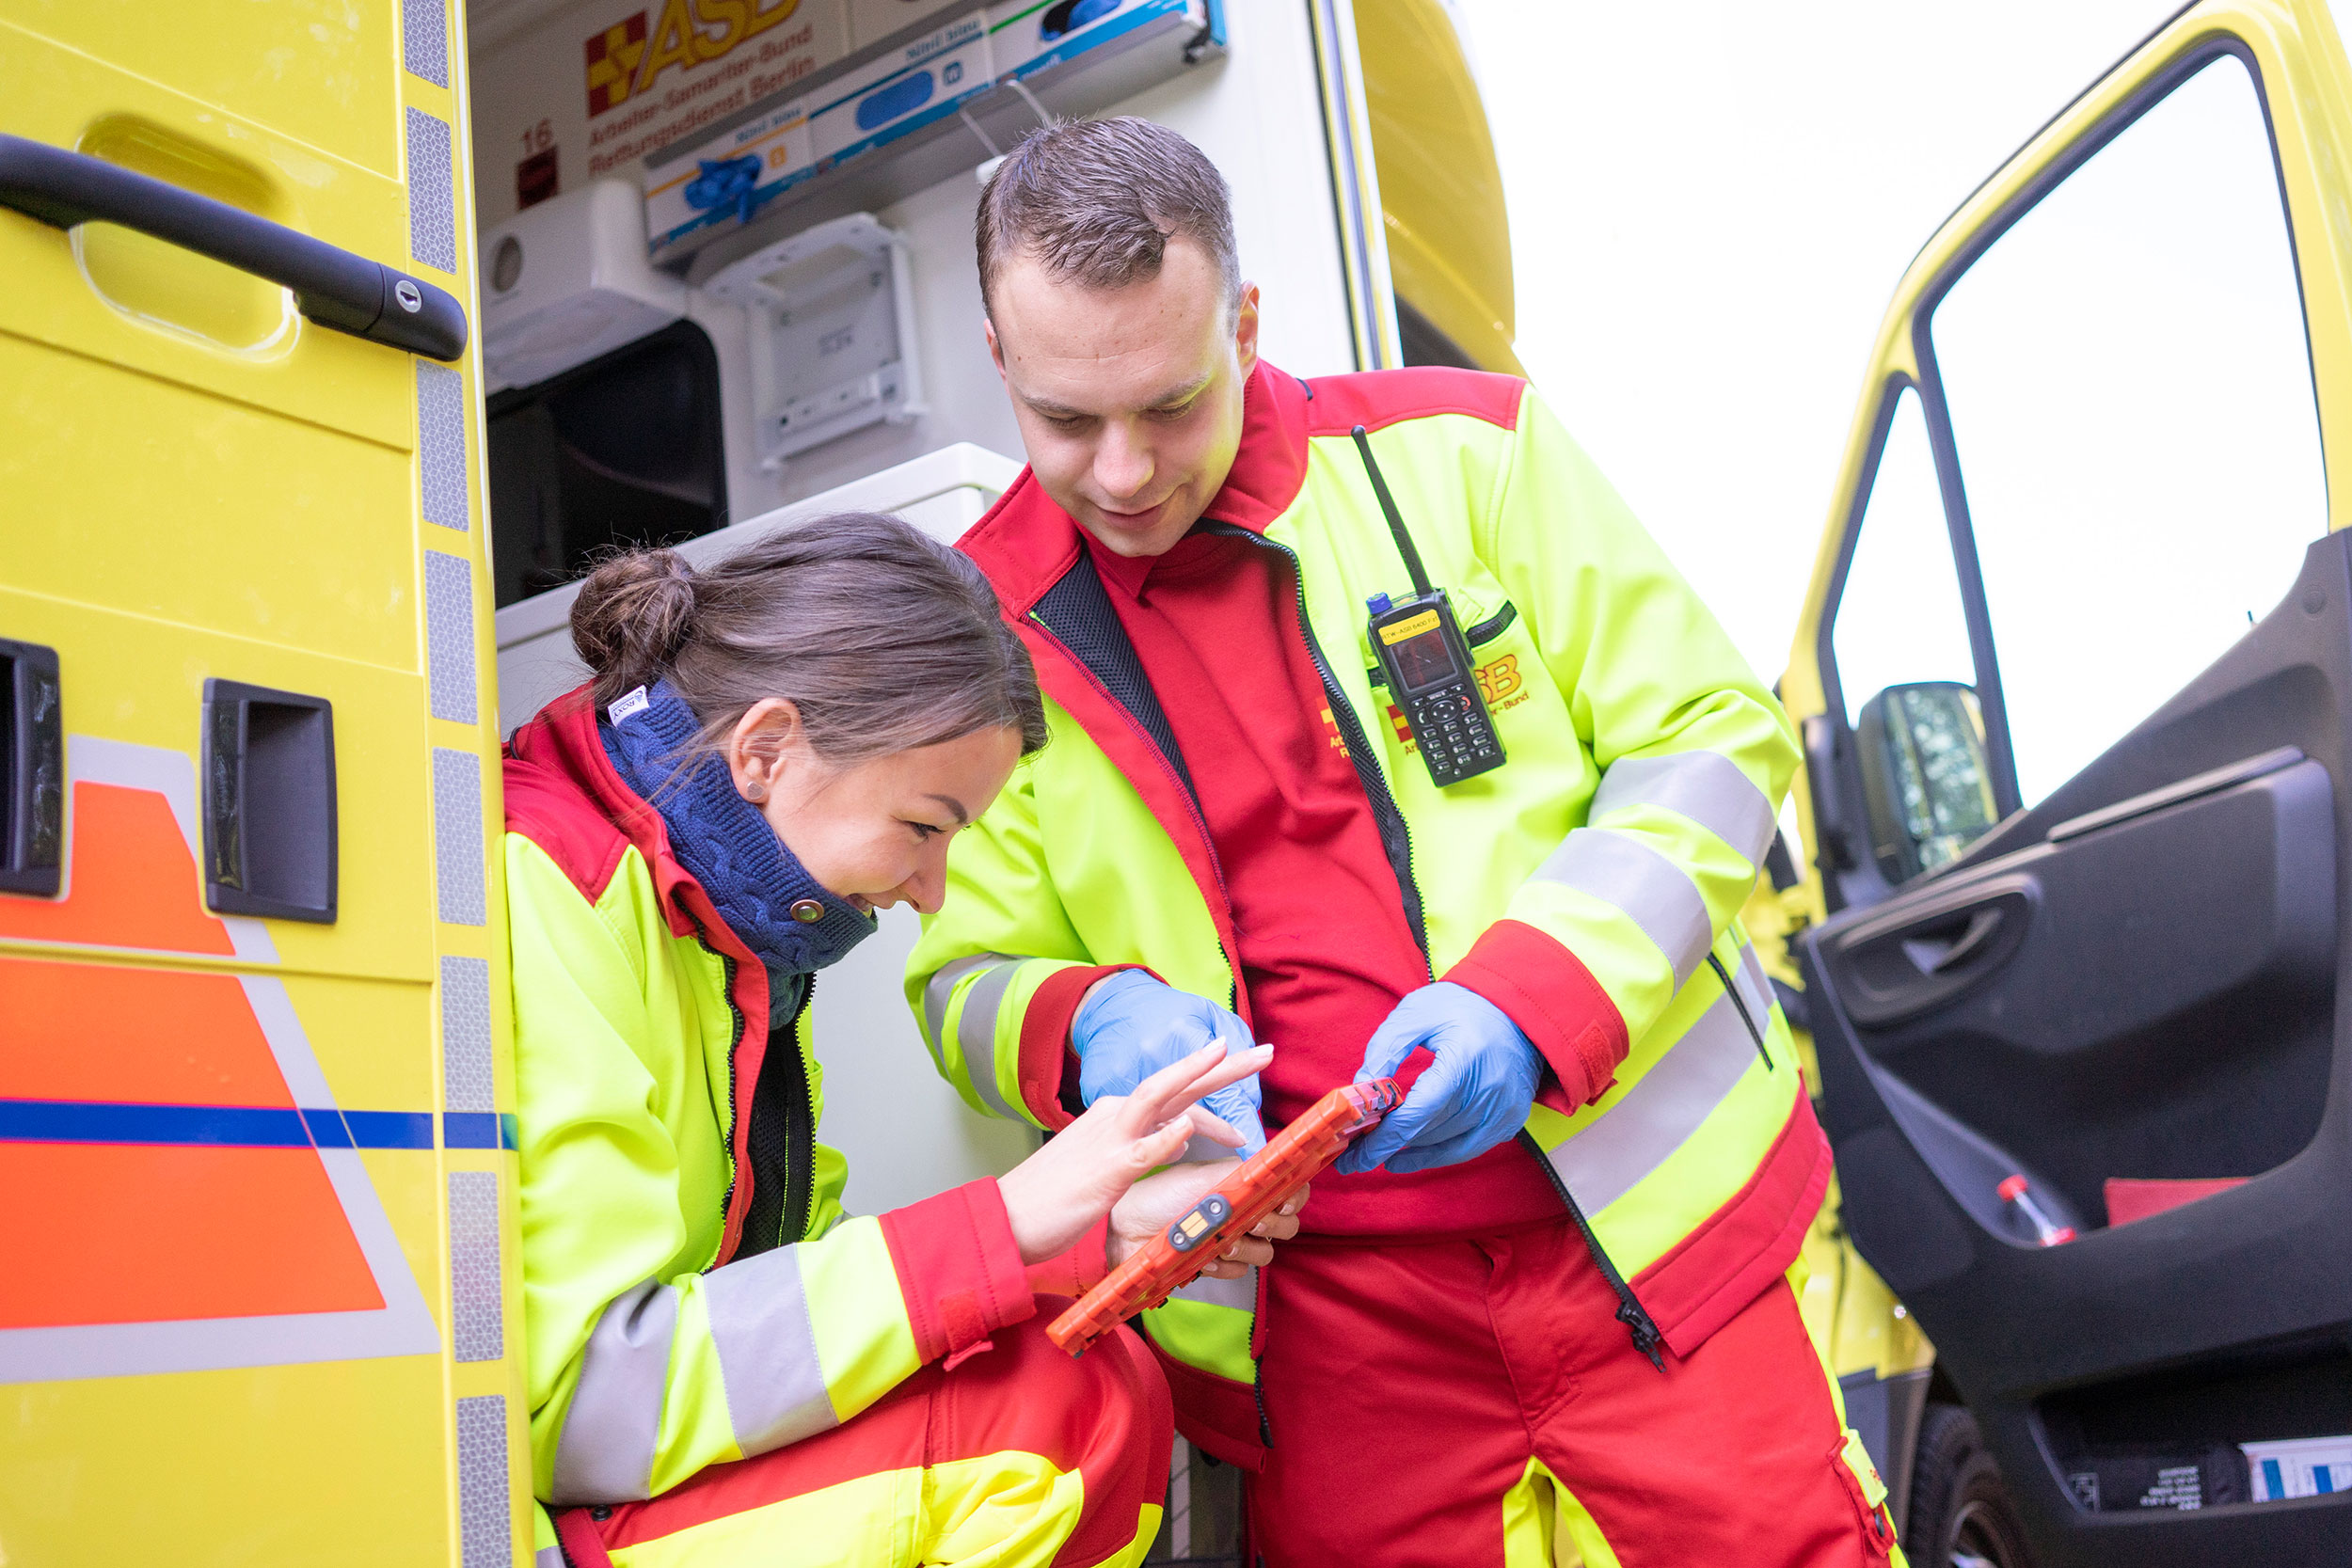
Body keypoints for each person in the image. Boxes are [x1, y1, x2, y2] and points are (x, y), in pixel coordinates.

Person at [907, 120, 1902, 1566]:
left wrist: (1529, 996)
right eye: (1067, 421)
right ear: (1000, 357)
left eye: (1172, 406)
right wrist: (1090, 1022)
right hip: (1320, 1334)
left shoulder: (1470, 451)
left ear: (1245, 326)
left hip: (1654, 1255)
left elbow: (1712, 735)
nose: (1121, 473)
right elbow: (962, 977)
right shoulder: (980, 621)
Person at [501, 515, 1303, 1568]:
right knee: (1047, 1427)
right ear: (766, 748)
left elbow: (779, 1286)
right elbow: (584, 1408)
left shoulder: (727, 911)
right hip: (553, 1508)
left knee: (1075, 1370)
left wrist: (1092, 1241)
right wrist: (1006, 1223)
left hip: (633, 1483)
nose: (929, 893)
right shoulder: (549, 886)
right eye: (924, 827)